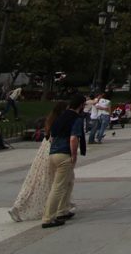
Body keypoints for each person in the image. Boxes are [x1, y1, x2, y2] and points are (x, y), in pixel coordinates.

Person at [10, 102, 73, 222]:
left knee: (40, 179)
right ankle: (57, 208)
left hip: (46, 150)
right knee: (50, 181)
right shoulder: (61, 121)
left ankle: (60, 207)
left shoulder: (51, 120)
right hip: (54, 150)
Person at [42, 94, 86, 229]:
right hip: (64, 154)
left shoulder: (60, 117)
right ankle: (48, 218)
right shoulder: (76, 119)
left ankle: (62, 211)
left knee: (69, 181)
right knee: (58, 186)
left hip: (53, 154)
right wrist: (74, 155)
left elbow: (52, 136)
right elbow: (73, 138)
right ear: (81, 105)